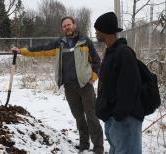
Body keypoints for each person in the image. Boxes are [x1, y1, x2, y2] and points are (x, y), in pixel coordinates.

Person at [11, 16, 104, 154]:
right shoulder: (59, 44)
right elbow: (41, 49)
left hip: (85, 86)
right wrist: (21, 51)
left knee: (92, 117)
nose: (67, 27)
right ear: (63, 28)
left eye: (69, 24)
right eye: (64, 26)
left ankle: (98, 148)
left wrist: (93, 78)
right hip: (69, 87)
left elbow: (97, 62)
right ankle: (84, 145)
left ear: (74, 25)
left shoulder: (85, 42)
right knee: (79, 117)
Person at [94, 12, 144, 154]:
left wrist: (119, 115)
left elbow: (130, 87)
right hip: (114, 119)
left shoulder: (124, 53)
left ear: (106, 30)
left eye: (97, 29)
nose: (96, 32)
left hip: (125, 120)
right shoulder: (110, 52)